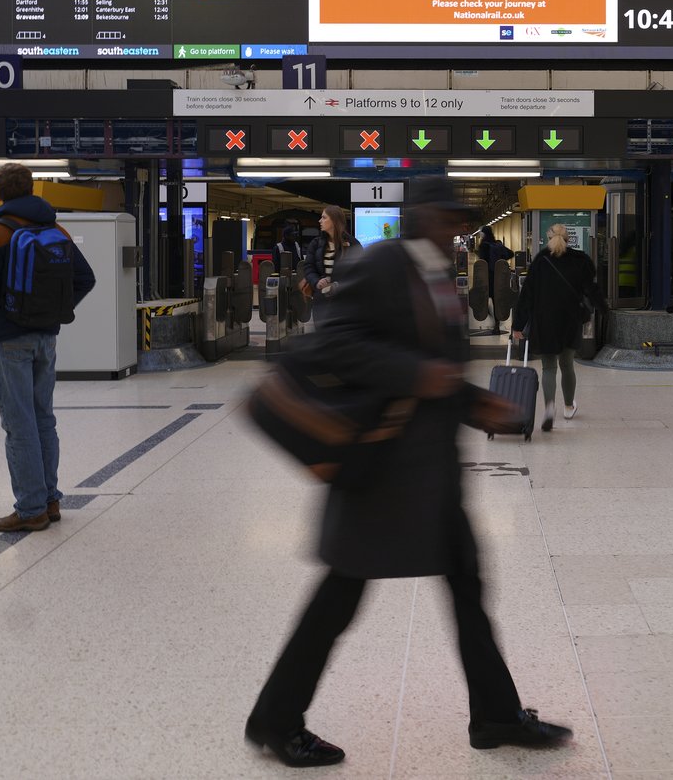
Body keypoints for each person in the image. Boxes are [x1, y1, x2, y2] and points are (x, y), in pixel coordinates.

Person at [245, 178, 572, 768]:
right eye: (446, 219)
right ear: (420, 217)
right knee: (337, 601)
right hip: (380, 476)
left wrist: (476, 404)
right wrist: (419, 375)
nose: (453, 230)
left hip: (431, 478)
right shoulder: (382, 266)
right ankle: (275, 720)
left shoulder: (439, 274)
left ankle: (495, 715)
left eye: (456, 220)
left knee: (470, 591)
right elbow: (335, 345)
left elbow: (437, 374)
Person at [0, 162, 95, 532]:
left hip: (8, 339)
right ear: (32, 188)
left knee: (18, 423)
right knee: (43, 419)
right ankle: (50, 499)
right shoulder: (56, 229)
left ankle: (30, 508)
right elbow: (86, 278)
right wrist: (55, 309)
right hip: (46, 338)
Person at [512, 224, 600, 432]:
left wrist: (518, 325)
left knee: (548, 367)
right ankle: (569, 407)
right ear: (568, 239)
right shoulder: (579, 260)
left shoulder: (540, 261)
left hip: (545, 322)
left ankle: (550, 408)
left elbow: (527, 295)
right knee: (567, 364)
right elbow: (589, 290)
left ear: (548, 238)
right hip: (570, 321)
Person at [301, 205, 360, 311]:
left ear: (334, 220)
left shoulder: (352, 244)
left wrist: (338, 285)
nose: (320, 221)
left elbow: (360, 270)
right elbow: (309, 267)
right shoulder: (315, 244)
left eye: (324, 217)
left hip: (346, 302)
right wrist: (316, 281)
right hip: (322, 301)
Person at [475, 225, 512, 329]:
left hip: (487, 277)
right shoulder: (497, 244)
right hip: (499, 277)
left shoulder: (483, 245)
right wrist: (501, 261)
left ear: (484, 234)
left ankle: (489, 314)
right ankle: (497, 325)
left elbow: (482, 262)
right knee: (496, 301)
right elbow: (511, 253)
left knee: (481, 298)